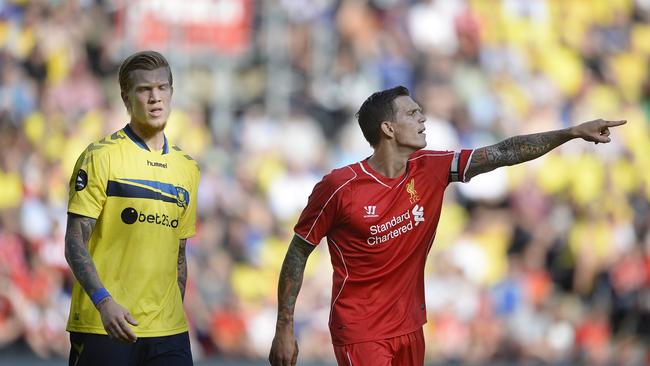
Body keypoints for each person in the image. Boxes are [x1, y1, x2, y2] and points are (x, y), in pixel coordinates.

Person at [268, 85, 626, 366]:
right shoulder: (340, 187)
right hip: (361, 330)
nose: (423, 119)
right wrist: (285, 325)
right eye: (412, 113)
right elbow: (299, 251)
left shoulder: (432, 167)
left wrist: (571, 132)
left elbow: (503, 152)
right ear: (388, 128)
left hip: (410, 327)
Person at [64, 51, 200, 366]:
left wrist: (174, 314)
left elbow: (179, 254)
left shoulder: (187, 168)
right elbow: (74, 243)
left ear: (171, 93)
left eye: (162, 88)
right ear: (127, 98)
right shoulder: (101, 157)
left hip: (168, 332)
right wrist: (103, 302)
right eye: (144, 89)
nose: (155, 97)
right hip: (106, 324)